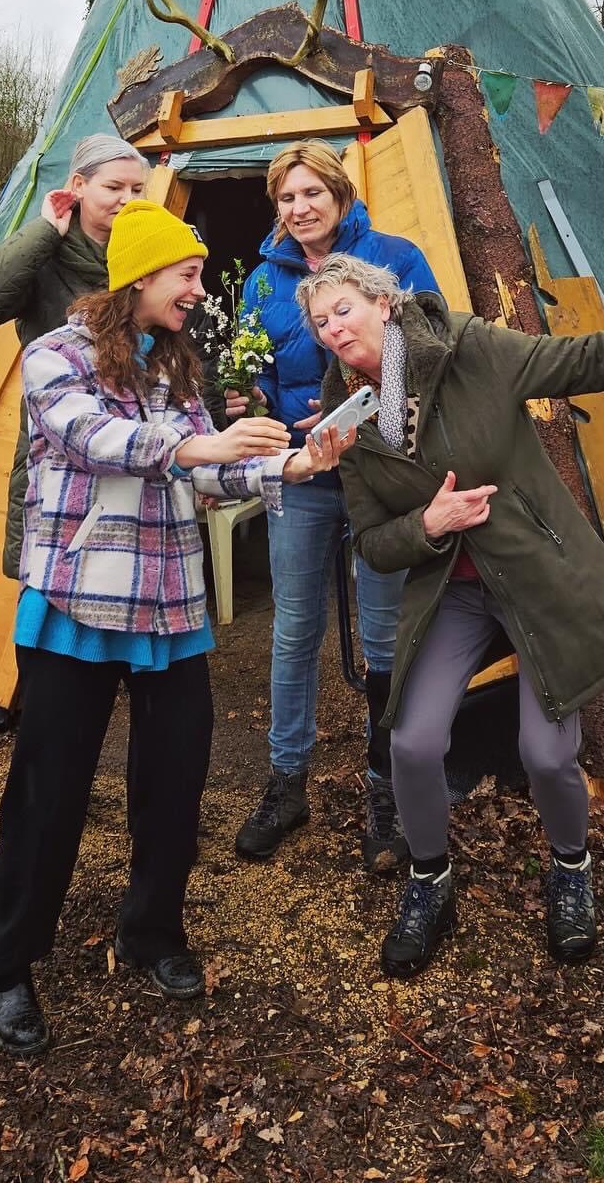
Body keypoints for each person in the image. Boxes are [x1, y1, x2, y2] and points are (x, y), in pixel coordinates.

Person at [297, 250, 604, 978]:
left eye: (343, 310)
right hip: (451, 591)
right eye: (319, 323)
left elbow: (589, 359)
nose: (332, 330)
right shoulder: (348, 423)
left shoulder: (471, 351)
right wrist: (428, 521)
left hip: (534, 576)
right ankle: (431, 881)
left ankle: (571, 868)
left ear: (385, 305)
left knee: (549, 753)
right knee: (412, 745)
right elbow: (371, 544)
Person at [0, 199, 350, 1056]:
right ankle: (8, 959)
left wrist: (291, 461)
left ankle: (152, 933)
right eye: (186, 274)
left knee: (174, 785)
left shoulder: (177, 369)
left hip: (170, 607)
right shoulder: (53, 355)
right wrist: (194, 452)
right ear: (139, 274)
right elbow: (91, 438)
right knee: (50, 790)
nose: (198, 288)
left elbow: (211, 477)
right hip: (79, 601)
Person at [227, 141, 439, 875]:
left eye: (312, 192)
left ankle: (386, 790)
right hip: (304, 472)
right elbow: (249, 368)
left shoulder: (395, 257)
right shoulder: (260, 283)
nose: (300, 208)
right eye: (287, 198)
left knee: (384, 635)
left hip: (378, 472)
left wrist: (368, 397)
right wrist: (245, 400)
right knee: (294, 628)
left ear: (341, 194)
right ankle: (287, 783)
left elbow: (430, 343)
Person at [0, 132, 149, 581]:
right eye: (114, 187)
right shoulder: (45, 254)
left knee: (121, 569)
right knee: (51, 568)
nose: (127, 199)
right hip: (57, 437)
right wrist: (44, 230)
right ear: (78, 185)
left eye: (137, 189)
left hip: (130, 428)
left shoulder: (145, 252)